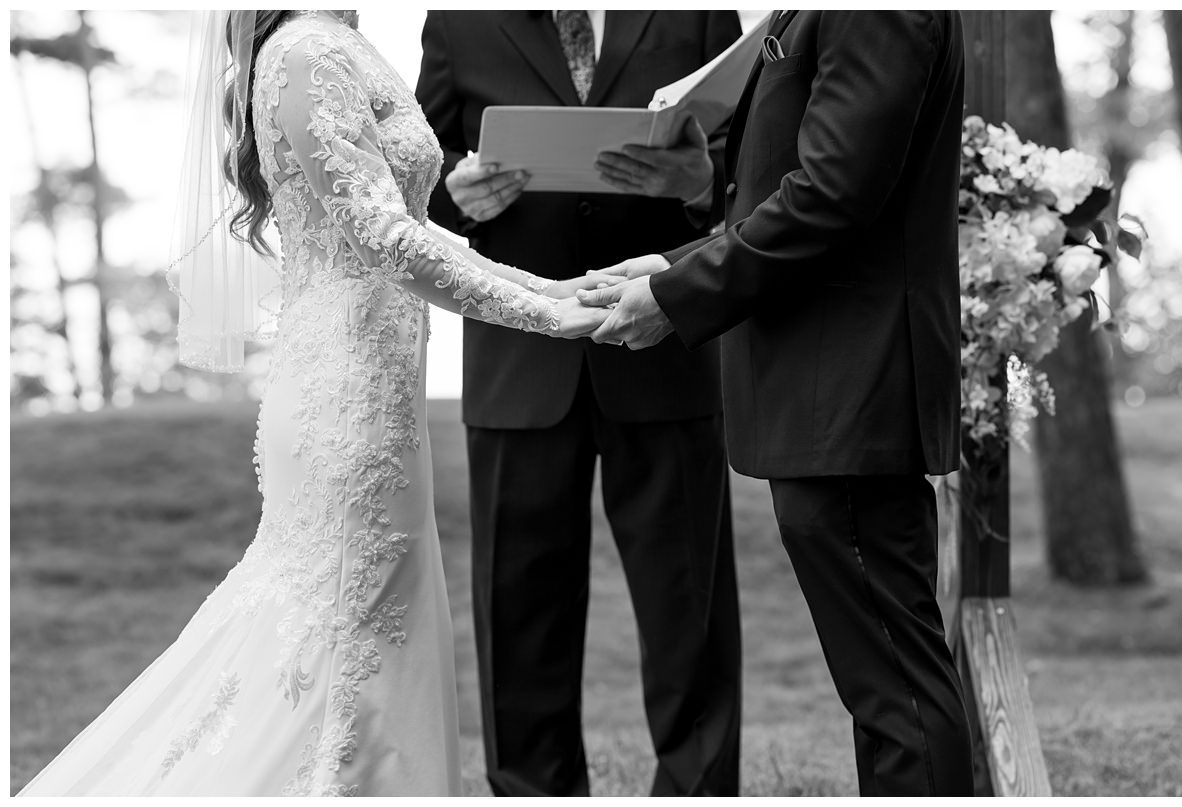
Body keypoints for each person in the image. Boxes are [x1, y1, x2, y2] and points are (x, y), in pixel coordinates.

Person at [19, 10, 608, 796]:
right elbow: (385, 242)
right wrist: (547, 316)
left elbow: (417, 227)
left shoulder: (341, 43)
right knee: (338, 626)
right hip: (348, 392)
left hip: (380, 383)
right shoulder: (308, 53)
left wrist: (552, 285)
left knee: (361, 619)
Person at [577, 11, 976, 796]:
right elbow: (769, 191)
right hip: (827, 394)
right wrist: (668, 263)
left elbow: (831, 194)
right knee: (883, 684)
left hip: (852, 388)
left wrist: (675, 297)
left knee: (898, 690)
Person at [414, 11, 745, 797]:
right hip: (518, 358)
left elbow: (753, 160)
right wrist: (456, 197)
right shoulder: (459, 21)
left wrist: (700, 184)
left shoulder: (697, 12)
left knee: (687, 609)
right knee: (518, 611)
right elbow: (412, 178)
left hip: (667, 349)